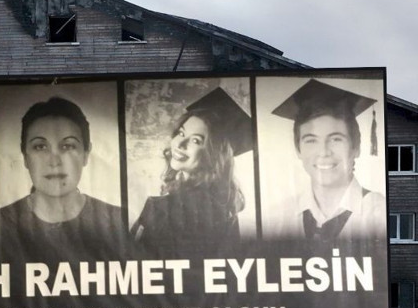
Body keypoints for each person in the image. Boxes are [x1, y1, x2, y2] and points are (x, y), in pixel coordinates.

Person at [0, 96, 125, 262]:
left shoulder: (117, 220)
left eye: (68, 146)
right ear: (25, 157)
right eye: (40, 147)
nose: (54, 161)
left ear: (86, 154)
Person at [130, 87, 250, 258]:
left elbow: (132, 265)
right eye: (181, 133)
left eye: (196, 140)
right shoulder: (228, 210)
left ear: (214, 154)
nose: (180, 144)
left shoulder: (159, 208)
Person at [264, 79, 384, 248]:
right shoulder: (279, 218)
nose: (324, 152)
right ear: (298, 150)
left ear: (356, 147)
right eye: (311, 141)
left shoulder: (378, 213)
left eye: (336, 139)